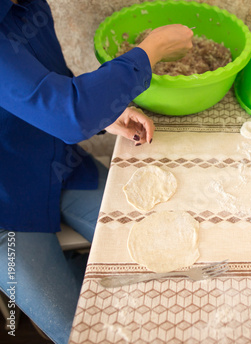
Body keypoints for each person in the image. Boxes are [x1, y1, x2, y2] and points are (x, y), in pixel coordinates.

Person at [0, 0, 193, 342]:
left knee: (171, 264)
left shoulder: (28, 6)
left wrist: (104, 115)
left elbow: (48, 86)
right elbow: (67, 111)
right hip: (7, 209)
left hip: (62, 165)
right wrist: (152, 49)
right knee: (79, 331)